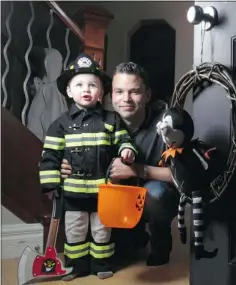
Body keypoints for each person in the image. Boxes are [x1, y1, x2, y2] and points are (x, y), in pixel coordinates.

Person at [60, 62, 180, 267]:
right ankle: (132, 238)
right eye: (119, 91)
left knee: (156, 193)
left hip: (152, 192)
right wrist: (66, 165)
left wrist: (137, 169)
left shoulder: (166, 126)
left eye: (134, 92)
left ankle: (161, 244)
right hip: (116, 196)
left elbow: (180, 175)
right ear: (110, 95)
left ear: (148, 95)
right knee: (120, 252)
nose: (126, 99)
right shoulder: (99, 123)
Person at [38, 54, 138, 281]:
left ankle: (101, 264)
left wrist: (126, 150)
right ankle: (76, 266)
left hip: (104, 193)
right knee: (75, 231)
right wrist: (51, 182)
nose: (86, 89)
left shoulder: (112, 120)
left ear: (101, 91)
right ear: (69, 92)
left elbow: (124, 140)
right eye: (79, 85)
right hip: (73, 194)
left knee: (102, 231)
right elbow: (50, 156)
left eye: (93, 85)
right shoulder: (59, 125)